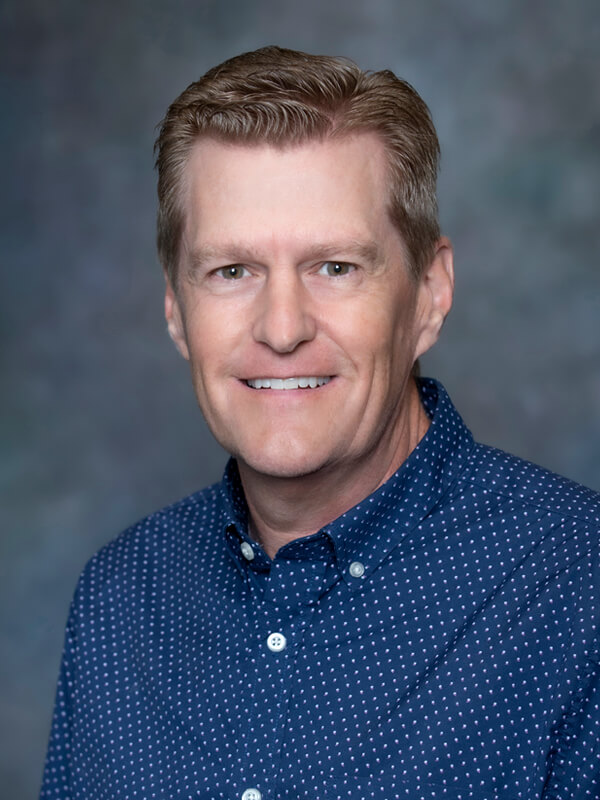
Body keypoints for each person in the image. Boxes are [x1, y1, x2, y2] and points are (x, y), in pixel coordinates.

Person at [40, 46, 600, 800]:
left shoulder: (576, 587)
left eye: (334, 266)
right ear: (176, 309)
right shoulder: (120, 600)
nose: (281, 328)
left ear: (430, 294)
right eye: (231, 271)